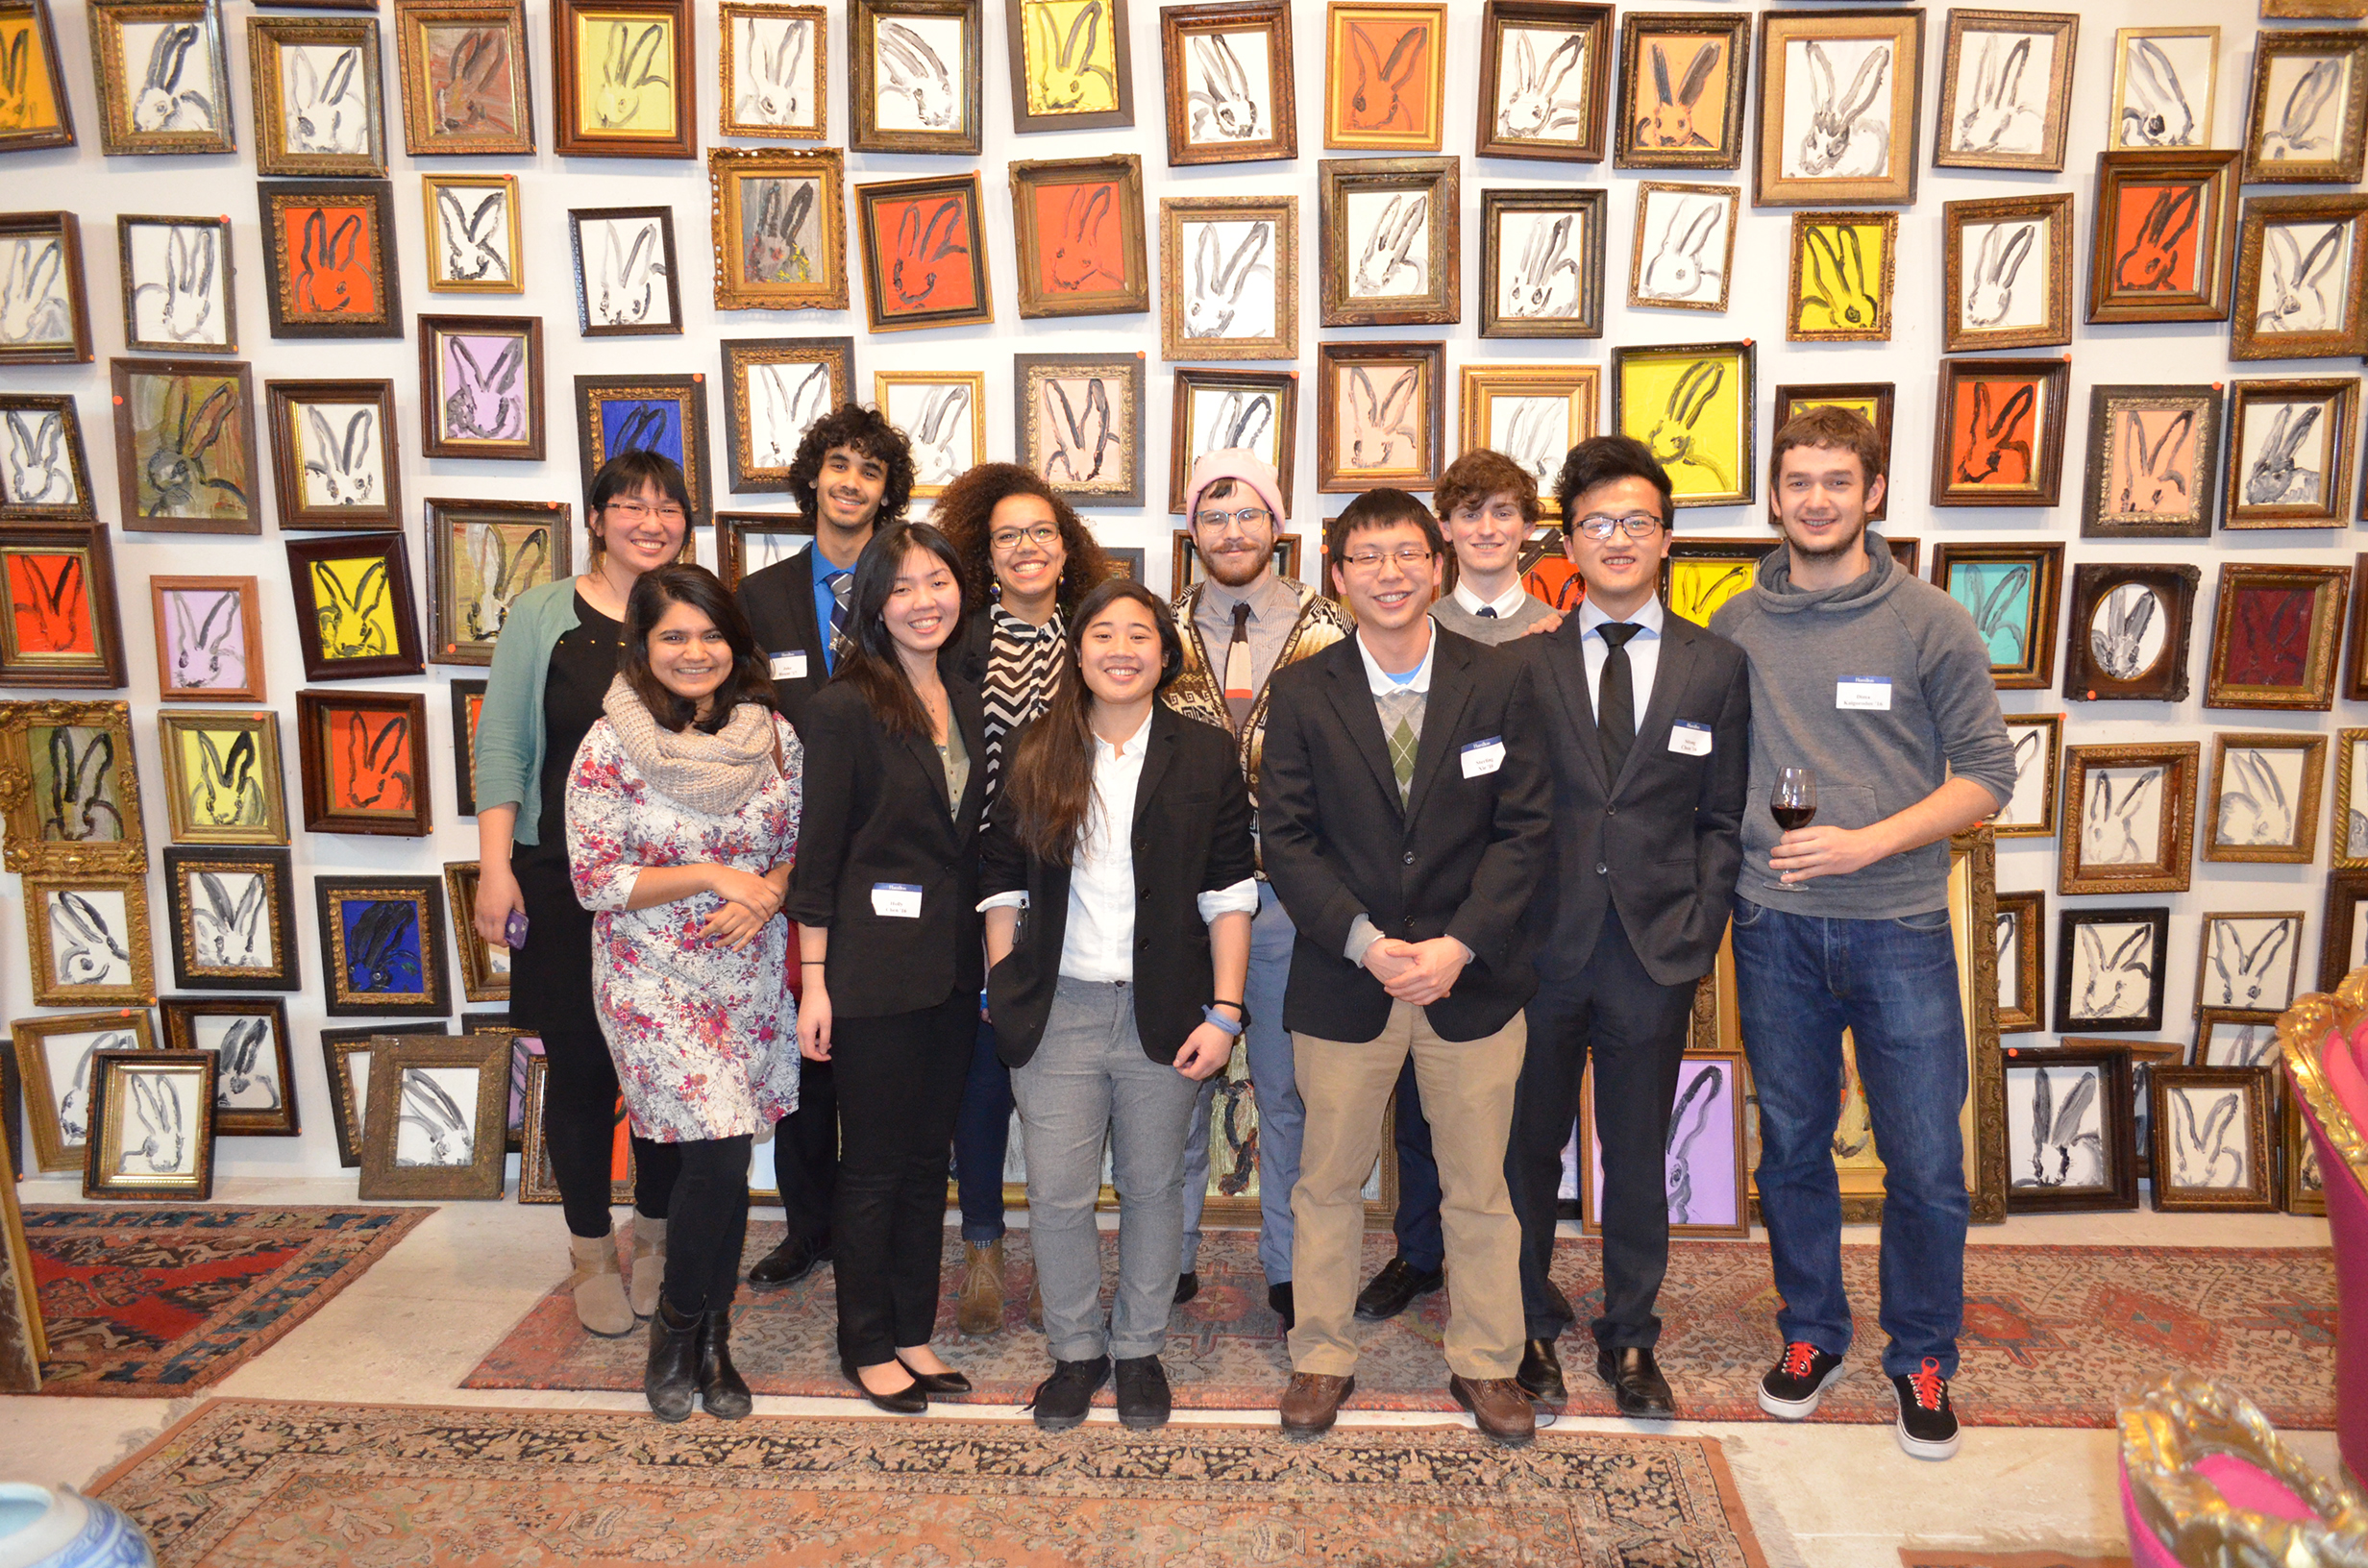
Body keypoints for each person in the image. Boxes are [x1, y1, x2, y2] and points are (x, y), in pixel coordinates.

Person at [1709, 404, 2016, 1462]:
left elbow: (1985, 776)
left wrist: (1866, 845)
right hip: (1772, 929)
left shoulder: (1929, 621)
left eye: (1837, 480)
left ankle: (1923, 1353)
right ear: (1776, 496)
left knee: (1926, 1159)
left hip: (1896, 928)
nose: (1817, 499)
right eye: (1798, 481)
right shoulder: (1737, 624)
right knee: (1790, 1147)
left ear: (1873, 492)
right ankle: (1809, 1335)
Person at [1258, 488, 1552, 1447]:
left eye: (1405, 555)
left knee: (1480, 1185)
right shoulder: (1303, 691)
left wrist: (1456, 945)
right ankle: (1322, 1356)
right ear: (1337, 578)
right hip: (1346, 978)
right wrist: (1364, 941)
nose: (1388, 574)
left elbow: (1525, 832)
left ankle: (1487, 1361)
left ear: (1438, 566)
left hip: (1470, 980)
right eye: (1365, 558)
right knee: (1326, 1182)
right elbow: (1288, 839)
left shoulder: (1501, 680)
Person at [1503, 435, 1750, 1422]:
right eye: (1596, 523)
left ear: (1666, 540)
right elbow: (1502, 815)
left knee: (1640, 1154)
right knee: (1525, 1148)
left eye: (1635, 522)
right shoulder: (1523, 668)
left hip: (1655, 952)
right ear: (1568, 540)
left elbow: (1723, 817)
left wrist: (1698, 923)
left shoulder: (1714, 666)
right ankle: (1525, 1323)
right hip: (1541, 952)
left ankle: (1631, 1338)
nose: (1616, 539)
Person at [978, 580, 1257, 1430]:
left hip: (1167, 1011)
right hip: (1055, 1009)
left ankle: (1137, 1349)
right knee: (1057, 1194)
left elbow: (1229, 891)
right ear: (1080, 649)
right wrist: (1003, 978)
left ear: (1164, 655)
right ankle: (1075, 1351)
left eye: (1141, 634)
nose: (1122, 648)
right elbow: (996, 876)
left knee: (1149, 1188)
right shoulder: (1036, 747)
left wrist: (1225, 1012)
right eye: (1104, 633)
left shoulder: (1205, 754)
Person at [564, 565, 802, 1422]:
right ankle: (681, 1330)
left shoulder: (773, 735)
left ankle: (706, 1335)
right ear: (643, 645)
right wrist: (711, 873)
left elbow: (801, 843)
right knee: (717, 1150)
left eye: (710, 634)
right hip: (651, 978)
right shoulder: (610, 745)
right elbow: (595, 878)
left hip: (747, 975)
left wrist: (768, 890)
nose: (694, 651)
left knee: (725, 1158)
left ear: (736, 643)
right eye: (673, 635)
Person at [473, 450, 691, 1340]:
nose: (652, 520)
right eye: (631, 505)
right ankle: (590, 1250)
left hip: (668, 882)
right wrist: (495, 867)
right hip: (561, 879)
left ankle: (662, 1242)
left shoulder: (690, 614)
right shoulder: (542, 614)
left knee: (664, 1074)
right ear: (596, 519)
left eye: (669, 507)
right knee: (582, 1068)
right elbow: (503, 748)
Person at [1359, 449, 1565, 1327]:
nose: (1487, 528)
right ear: (1444, 531)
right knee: (1413, 1101)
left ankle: (1512, 1268)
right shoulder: (1400, 619)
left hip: (1521, 904)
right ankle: (1419, 1252)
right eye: (1469, 513)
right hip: (1415, 915)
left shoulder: (1563, 630)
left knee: (1503, 1107)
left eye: (1504, 513)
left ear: (1528, 527)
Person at [785, 520, 985, 1414]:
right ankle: (864, 1342)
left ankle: (911, 1330)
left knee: (923, 1162)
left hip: (949, 970)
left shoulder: (967, 694)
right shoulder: (842, 707)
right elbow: (817, 857)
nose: (922, 601)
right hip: (865, 973)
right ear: (871, 602)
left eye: (936, 580)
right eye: (900, 586)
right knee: (869, 1165)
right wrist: (816, 981)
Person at [1162, 449, 1353, 1329]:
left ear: (1279, 526)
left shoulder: (1333, 626)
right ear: (1190, 531)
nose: (1231, 531)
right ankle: (1168, 1259)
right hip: (1180, 897)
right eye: (1212, 515)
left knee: (1284, 1091)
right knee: (1175, 1089)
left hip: (1288, 900)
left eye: (1248, 515)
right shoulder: (1154, 631)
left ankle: (1286, 1267)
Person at [735, 404, 915, 1293]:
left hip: (889, 856)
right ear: (812, 477)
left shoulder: (913, 590)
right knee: (802, 1050)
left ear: (888, 492)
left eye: (870, 470)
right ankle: (808, 1228)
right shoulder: (759, 598)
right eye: (837, 465)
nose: (851, 482)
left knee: (875, 1048)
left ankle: (873, 1221)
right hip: (790, 858)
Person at [935, 463, 1111, 1336]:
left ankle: (1060, 1243)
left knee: (1065, 1070)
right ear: (986, 553)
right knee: (984, 1069)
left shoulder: (1099, 632)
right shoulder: (956, 641)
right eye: (1007, 536)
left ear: (1065, 543)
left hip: (1084, 884)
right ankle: (980, 1243)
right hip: (982, 886)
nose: (1027, 547)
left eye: (1041, 531)